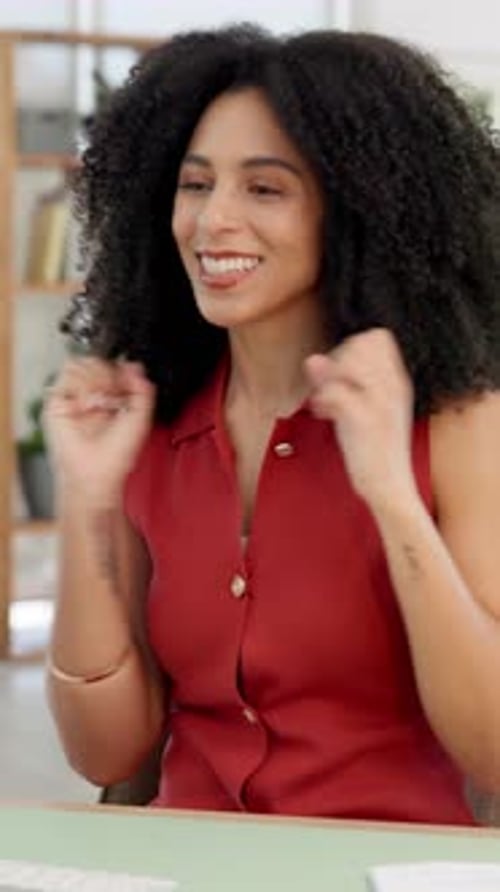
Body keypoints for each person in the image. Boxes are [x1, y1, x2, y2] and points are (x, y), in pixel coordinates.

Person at [45, 24, 500, 825]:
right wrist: (86, 503)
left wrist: (392, 495)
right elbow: (107, 756)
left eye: (264, 188)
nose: (212, 220)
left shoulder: (461, 424)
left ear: (358, 211)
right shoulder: (149, 423)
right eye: (194, 185)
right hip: (187, 864)